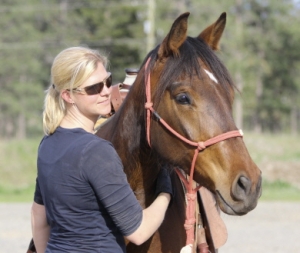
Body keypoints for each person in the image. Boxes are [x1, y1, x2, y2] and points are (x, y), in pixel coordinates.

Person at [31, 46, 173, 253]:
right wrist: (165, 192)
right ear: (68, 96)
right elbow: (139, 231)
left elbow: (38, 217)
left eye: (107, 81)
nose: (106, 91)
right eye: (93, 88)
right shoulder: (96, 151)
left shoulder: (47, 144)